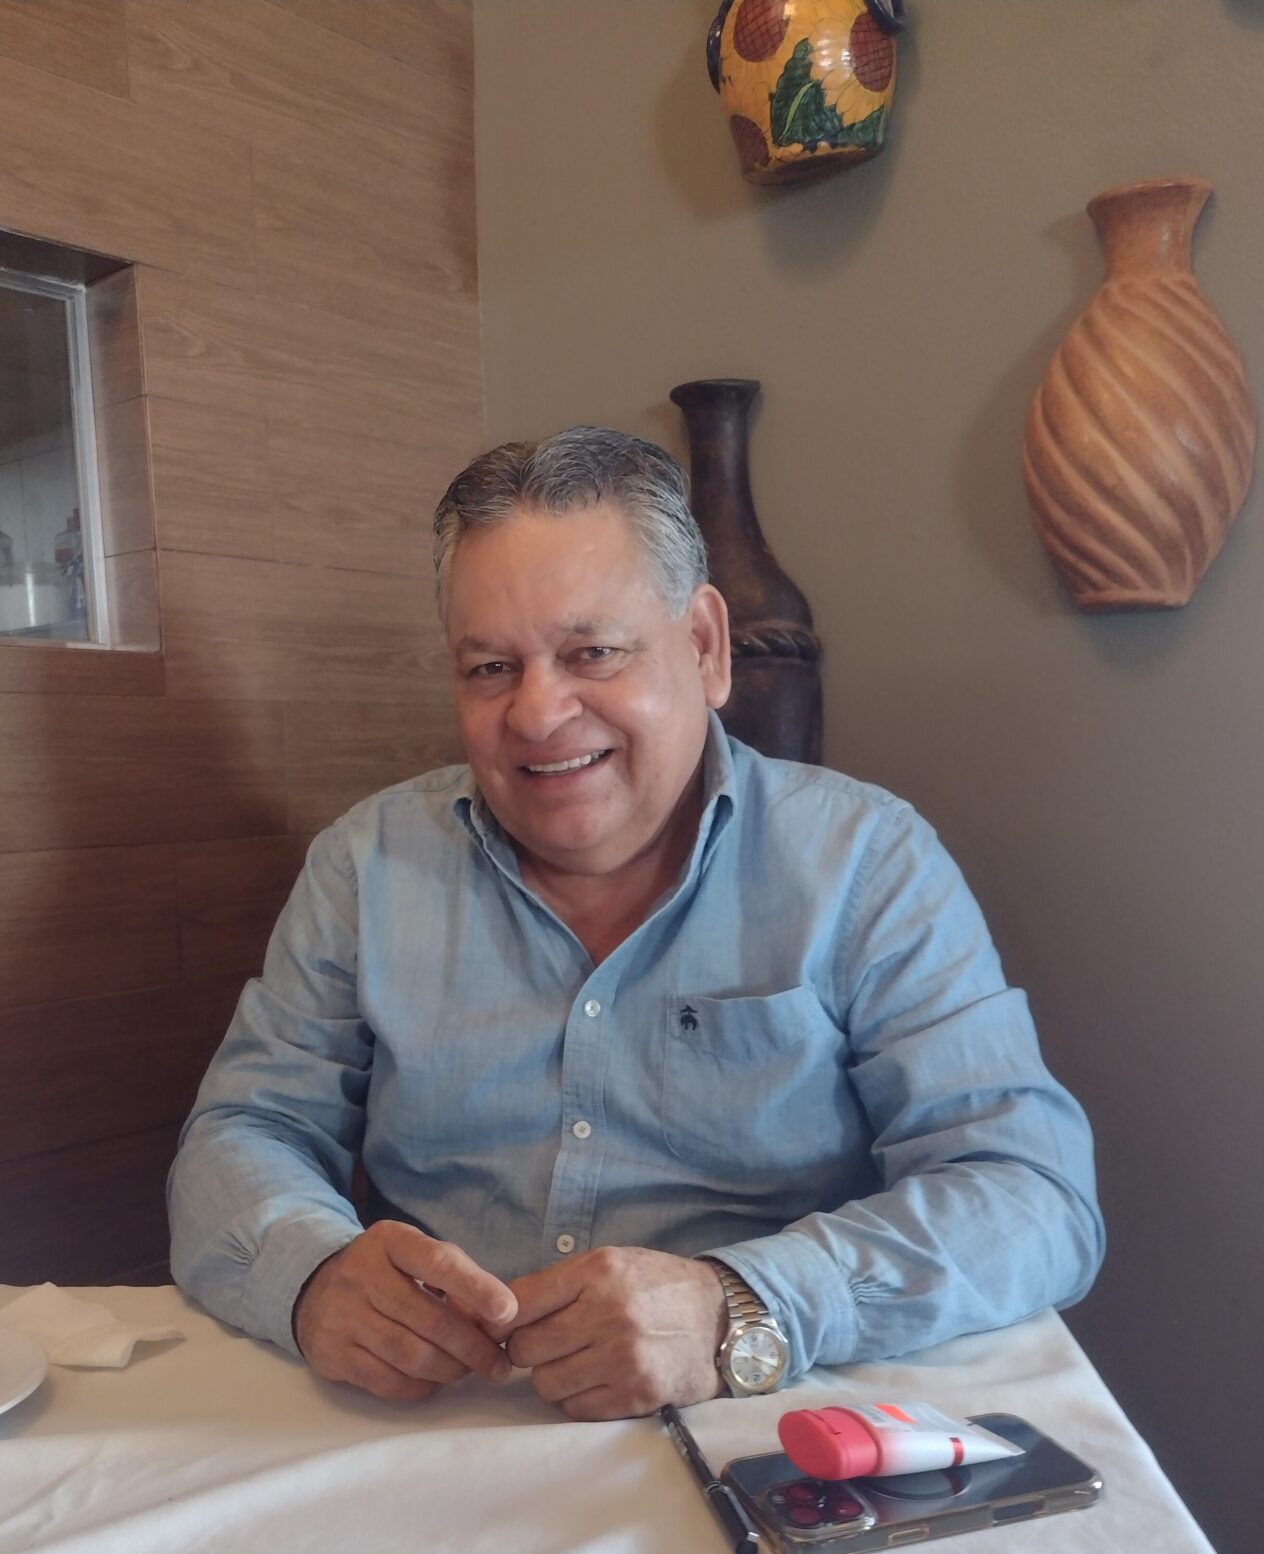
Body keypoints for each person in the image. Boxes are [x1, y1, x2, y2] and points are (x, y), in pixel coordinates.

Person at [168, 427, 1102, 1419]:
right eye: (490, 668)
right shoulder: (364, 867)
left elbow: (1031, 1195)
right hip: (443, 1421)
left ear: (704, 646)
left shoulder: (866, 864)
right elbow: (243, 1132)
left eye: (593, 653)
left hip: (759, 1419)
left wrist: (740, 1307)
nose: (537, 713)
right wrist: (312, 1273)